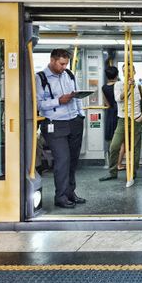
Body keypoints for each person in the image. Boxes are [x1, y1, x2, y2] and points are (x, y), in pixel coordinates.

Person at [36, 49, 85, 208]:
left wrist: (80, 114)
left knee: (72, 159)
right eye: (61, 64)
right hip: (54, 123)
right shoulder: (40, 78)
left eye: (66, 64)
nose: (64, 67)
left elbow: (76, 97)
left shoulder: (69, 75)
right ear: (52, 60)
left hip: (74, 121)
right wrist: (58, 101)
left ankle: (71, 193)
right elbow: (38, 104)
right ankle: (61, 196)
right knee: (62, 160)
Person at [99, 65, 142, 187]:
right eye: (124, 71)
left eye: (130, 71)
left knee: (134, 148)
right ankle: (112, 172)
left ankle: (132, 172)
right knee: (114, 146)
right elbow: (118, 99)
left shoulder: (140, 86)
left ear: (134, 71)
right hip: (122, 119)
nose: (127, 73)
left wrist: (141, 118)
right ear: (122, 73)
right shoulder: (118, 85)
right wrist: (128, 87)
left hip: (136, 119)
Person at [101, 66, 125, 171]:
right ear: (117, 75)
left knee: (112, 140)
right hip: (120, 112)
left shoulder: (104, 87)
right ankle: (118, 164)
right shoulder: (120, 85)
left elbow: (106, 103)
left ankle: (112, 164)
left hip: (110, 113)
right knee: (122, 141)